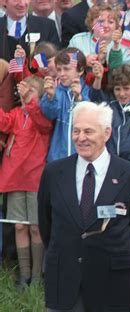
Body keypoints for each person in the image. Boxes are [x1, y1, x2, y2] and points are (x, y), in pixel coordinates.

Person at [38, 101, 130, 311]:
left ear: (106, 133)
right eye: (76, 131)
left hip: (114, 286)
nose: (81, 138)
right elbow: (47, 225)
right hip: (65, 285)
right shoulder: (53, 173)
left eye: (88, 131)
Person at [0, 76, 52, 288]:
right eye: (24, 90)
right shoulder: (15, 113)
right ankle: (24, 275)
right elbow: (4, 121)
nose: (25, 94)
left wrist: (30, 103)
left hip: (35, 178)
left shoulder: (43, 115)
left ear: (39, 96)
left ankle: (38, 276)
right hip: (14, 178)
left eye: (31, 91)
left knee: (35, 228)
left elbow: (43, 125)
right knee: (20, 226)